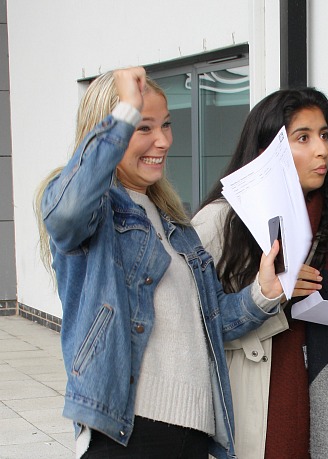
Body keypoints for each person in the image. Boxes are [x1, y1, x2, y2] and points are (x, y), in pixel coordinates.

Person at [36, 66, 284, 459]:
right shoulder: (96, 214)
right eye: (144, 127)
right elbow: (66, 214)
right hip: (128, 434)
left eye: (166, 125)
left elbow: (210, 321)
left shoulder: (172, 221)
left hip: (193, 432)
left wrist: (263, 294)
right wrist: (122, 114)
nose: (163, 140)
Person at [193, 87, 328, 459]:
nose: (322, 149)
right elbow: (195, 327)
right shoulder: (220, 223)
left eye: (324, 134)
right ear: (269, 151)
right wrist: (266, 295)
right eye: (304, 137)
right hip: (257, 415)